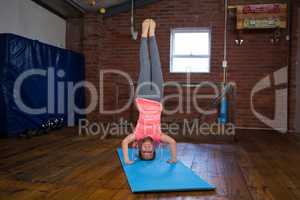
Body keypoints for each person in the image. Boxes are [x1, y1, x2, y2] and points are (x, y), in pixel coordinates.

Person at [121, 19, 177, 165]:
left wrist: (127, 159)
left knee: (146, 64)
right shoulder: (158, 137)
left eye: (144, 151)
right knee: (157, 64)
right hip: (157, 98)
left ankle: (144, 35)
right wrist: (173, 158)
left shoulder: (137, 135)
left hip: (143, 95)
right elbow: (172, 142)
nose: (147, 149)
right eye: (150, 151)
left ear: (139, 148)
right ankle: (152, 34)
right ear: (154, 149)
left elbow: (124, 142)